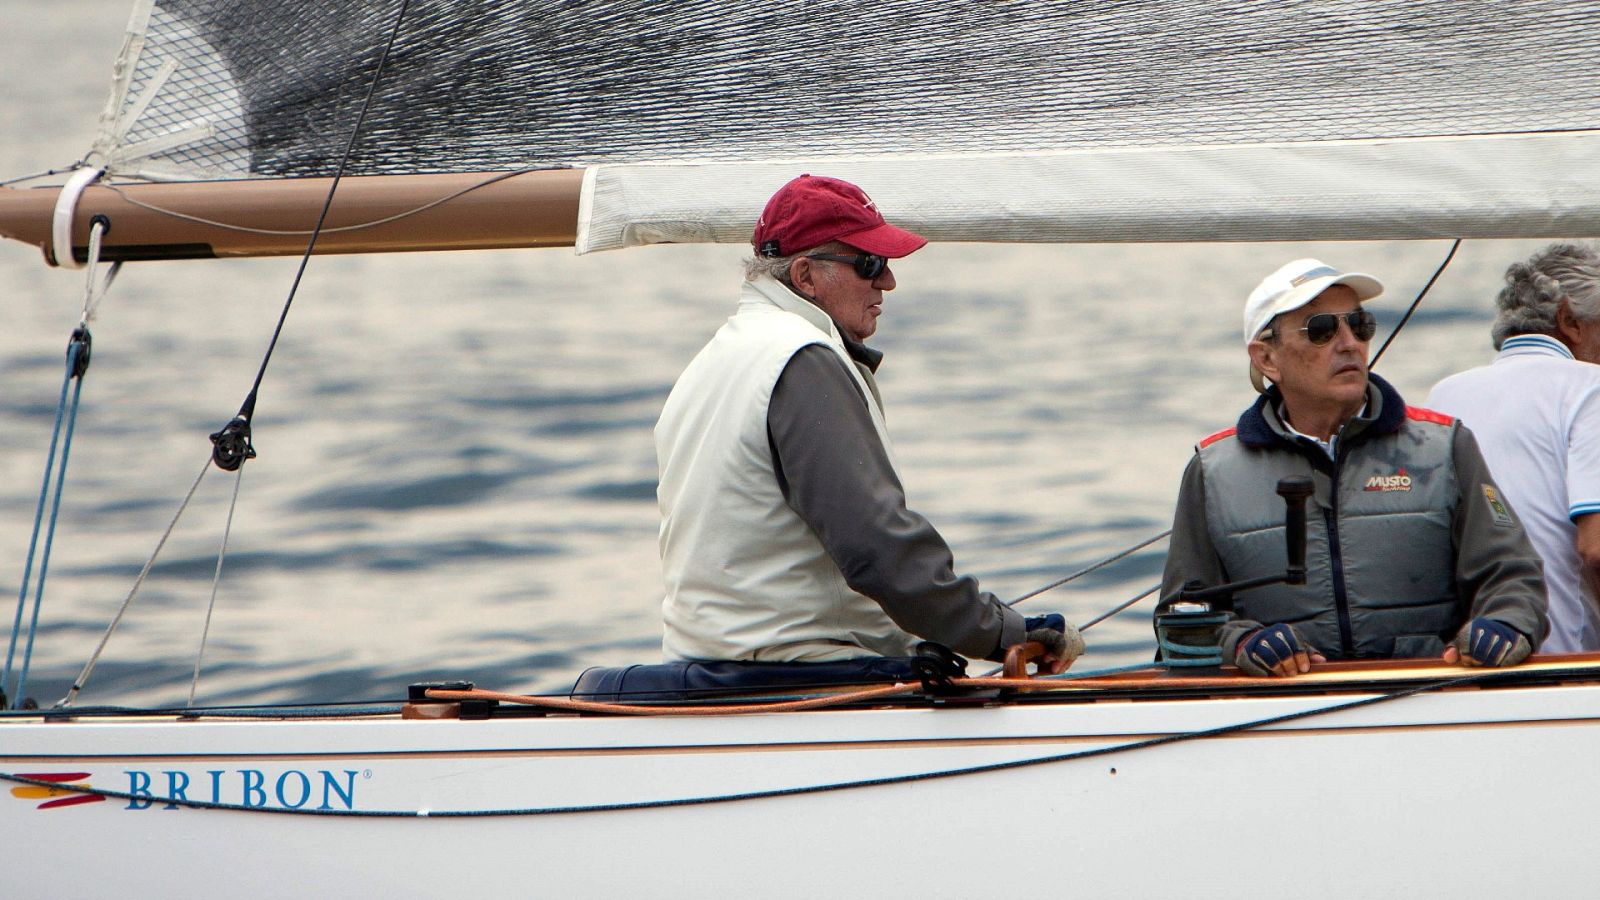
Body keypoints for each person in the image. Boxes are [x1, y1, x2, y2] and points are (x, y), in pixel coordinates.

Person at [654, 174, 1081, 673]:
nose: (887, 282)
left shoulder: (714, 360)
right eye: (868, 263)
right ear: (806, 276)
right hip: (797, 673)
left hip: (706, 665)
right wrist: (1001, 632)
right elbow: (877, 550)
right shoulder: (800, 359)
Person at [1157, 258, 1548, 677]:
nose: (1349, 343)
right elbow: (1180, 624)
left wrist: (1506, 624)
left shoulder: (1445, 446)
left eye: (1359, 325)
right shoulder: (1213, 469)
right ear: (1267, 358)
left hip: (1430, 703)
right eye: (1322, 329)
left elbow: (1512, 577)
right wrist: (1243, 642)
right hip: (1281, 714)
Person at [1426, 243, 1600, 652]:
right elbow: (1596, 551)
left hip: (1466, 657)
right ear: (1569, 320)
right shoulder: (1589, 387)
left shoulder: (1442, 396)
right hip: (1562, 664)